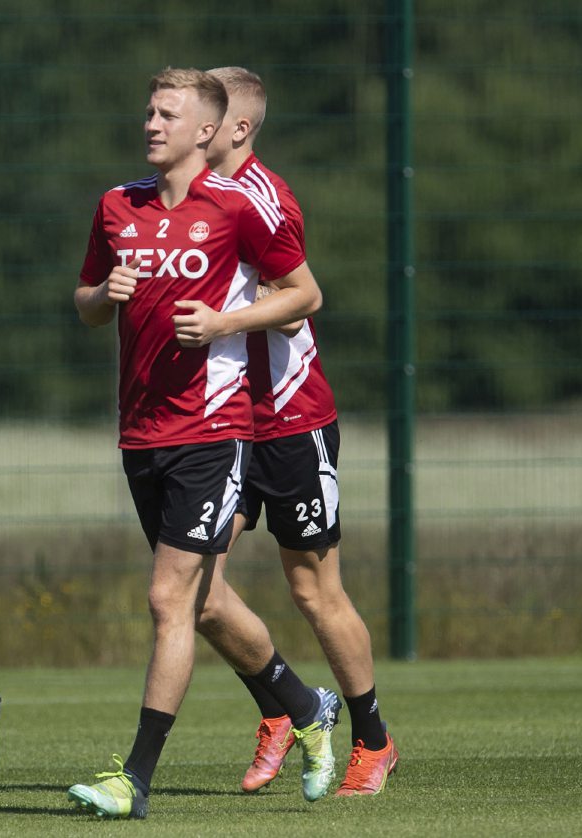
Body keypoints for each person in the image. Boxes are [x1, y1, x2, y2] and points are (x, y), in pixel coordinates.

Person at [65, 68, 340, 820]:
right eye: (149, 109)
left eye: (167, 114)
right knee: (206, 600)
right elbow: (86, 303)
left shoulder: (238, 209)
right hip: (140, 432)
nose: (151, 123)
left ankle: (136, 777)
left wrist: (224, 323)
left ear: (205, 130)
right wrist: (103, 296)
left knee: (167, 598)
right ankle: (305, 706)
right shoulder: (116, 205)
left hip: (214, 432)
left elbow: (304, 295)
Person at [203, 65, 397, 797]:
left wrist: (225, 312)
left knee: (314, 591)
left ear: (239, 127)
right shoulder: (185, 196)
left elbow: (297, 300)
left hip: (289, 420)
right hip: (218, 426)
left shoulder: (264, 198)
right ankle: (287, 706)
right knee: (192, 590)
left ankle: (374, 742)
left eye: (205, 112)